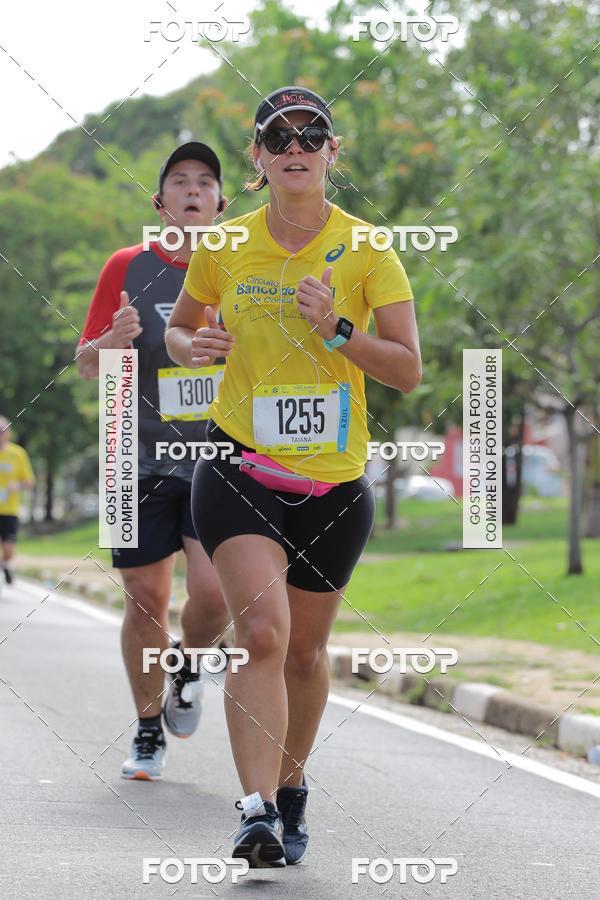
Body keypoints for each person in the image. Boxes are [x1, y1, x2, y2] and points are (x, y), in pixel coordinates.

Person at [166, 86, 421, 866]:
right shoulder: (223, 247)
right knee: (264, 634)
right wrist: (190, 349)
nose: (295, 145)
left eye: (312, 134)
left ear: (332, 153)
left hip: (335, 486)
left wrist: (337, 329)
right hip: (240, 464)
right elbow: (179, 330)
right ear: (259, 158)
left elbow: (408, 371)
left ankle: (292, 786)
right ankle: (254, 811)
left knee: (307, 655)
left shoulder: (369, 249)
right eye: (279, 135)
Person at [77, 143, 230, 780]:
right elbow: (86, 365)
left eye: (204, 183)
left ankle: (188, 667)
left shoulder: (244, 267)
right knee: (144, 597)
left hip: (219, 454)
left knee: (216, 594)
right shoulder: (127, 265)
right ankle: (146, 731)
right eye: (179, 183)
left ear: (223, 202)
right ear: (159, 202)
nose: (192, 192)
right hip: (131, 455)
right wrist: (109, 342)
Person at [0, 416, 35, 586]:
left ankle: (4, 564)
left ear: (8, 433)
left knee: (8, 550)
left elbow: (30, 481)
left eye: (2, 431)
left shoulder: (18, 454)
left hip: (10, 510)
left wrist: (18, 486)